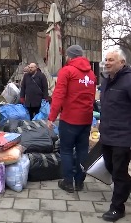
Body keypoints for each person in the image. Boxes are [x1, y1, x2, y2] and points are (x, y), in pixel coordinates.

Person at [47, 45, 96, 193]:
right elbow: (92, 98)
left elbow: (58, 96)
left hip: (69, 119)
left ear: (70, 56)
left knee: (66, 150)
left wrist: (51, 117)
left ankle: (68, 182)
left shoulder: (67, 71)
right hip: (86, 119)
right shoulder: (92, 74)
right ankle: (79, 182)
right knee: (82, 150)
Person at [98, 49, 131, 222]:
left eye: (111, 60)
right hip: (107, 133)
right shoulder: (106, 81)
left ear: (122, 63)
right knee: (110, 166)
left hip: (123, 136)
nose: (107, 62)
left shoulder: (128, 80)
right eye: (106, 59)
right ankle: (126, 185)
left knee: (118, 172)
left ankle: (117, 207)